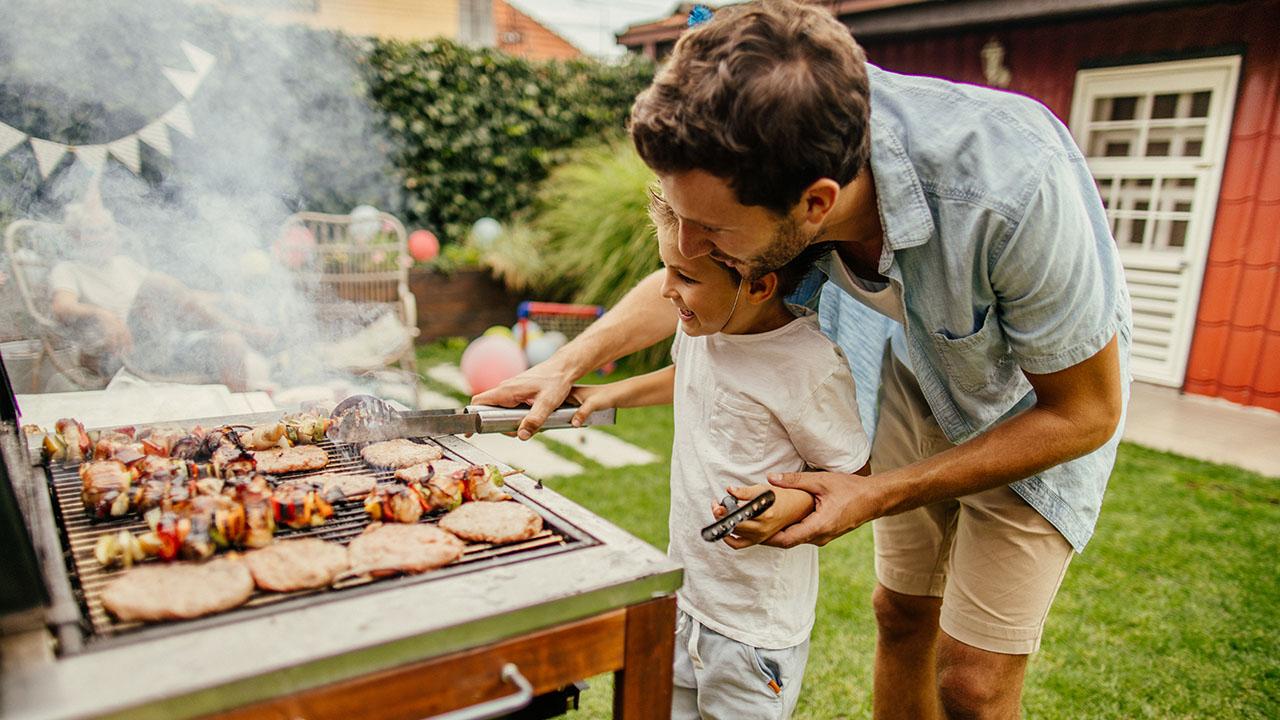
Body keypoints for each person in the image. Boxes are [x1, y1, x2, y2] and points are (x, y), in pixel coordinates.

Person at [474, 1, 1132, 718]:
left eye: (714, 232)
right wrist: (571, 361)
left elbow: (1086, 411)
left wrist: (877, 492)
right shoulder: (776, 140)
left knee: (971, 682)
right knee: (901, 615)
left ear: (816, 204)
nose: (686, 246)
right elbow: (702, 279)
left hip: (1032, 404)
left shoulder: (1010, 186)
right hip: (908, 369)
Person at [567, 193, 869, 719]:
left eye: (685, 277)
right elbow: (687, 377)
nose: (666, 290)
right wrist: (605, 394)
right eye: (667, 269)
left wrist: (787, 504)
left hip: (753, 629)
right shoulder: (706, 330)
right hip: (686, 596)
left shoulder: (808, 366)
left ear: (757, 286)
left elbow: (851, 475)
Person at [49, 199, 273, 391]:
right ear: (76, 236)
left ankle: (242, 428)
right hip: (117, 352)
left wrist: (224, 298)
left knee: (230, 343)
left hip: (158, 347)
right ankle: (243, 329)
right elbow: (62, 306)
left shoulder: (125, 265)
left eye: (107, 229)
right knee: (157, 283)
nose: (102, 236)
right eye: (93, 231)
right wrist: (102, 314)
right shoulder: (68, 269)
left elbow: (178, 296)